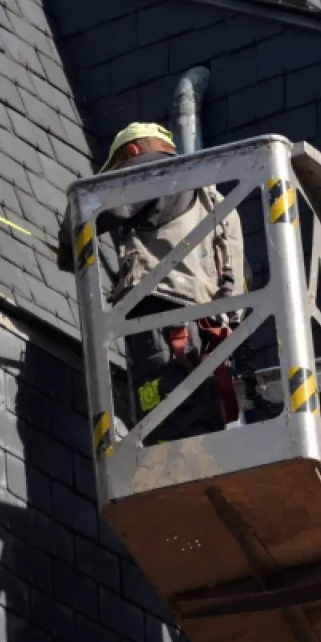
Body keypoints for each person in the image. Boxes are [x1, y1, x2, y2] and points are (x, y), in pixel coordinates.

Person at [57, 122, 250, 444]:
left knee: (161, 410)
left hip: (163, 315)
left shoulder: (152, 167)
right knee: (199, 420)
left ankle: (173, 469)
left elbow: (92, 209)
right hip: (211, 335)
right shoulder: (221, 204)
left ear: (132, 152)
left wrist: (68, 250)